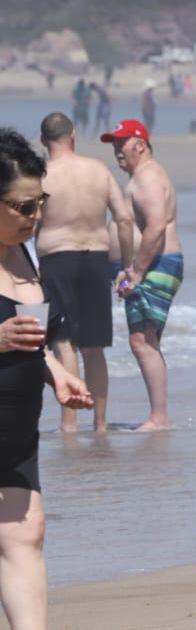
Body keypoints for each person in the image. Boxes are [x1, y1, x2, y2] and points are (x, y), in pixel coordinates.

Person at [0, 128, 94, 629]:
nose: (34, 218)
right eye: (22, 207)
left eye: (40, 204)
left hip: (15, 433)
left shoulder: (24, 254)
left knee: (25, 534)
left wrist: (55, 372)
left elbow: (30, 338)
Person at [36, 113, 134, 433]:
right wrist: (127, 266)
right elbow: (123, 220)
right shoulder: (98, 170)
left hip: (56, 259)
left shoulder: (41, 176)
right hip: (95, 259)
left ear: (42, 141)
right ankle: (101, 424)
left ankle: (69, 425)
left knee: (63, 343)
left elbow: (27, 222)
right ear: (73, 135)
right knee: (94, 347)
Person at [103, 119, 183, 431]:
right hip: (151, 265)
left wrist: (136, 271)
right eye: (113, 144)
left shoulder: (148, 177)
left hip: (156, 265)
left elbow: (156, 226)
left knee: (141, 341)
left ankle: (159, 418)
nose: (116, 151)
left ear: (140, 144)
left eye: (121, 143)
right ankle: (158, 415)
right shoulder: (141, 176)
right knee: (146, 340)